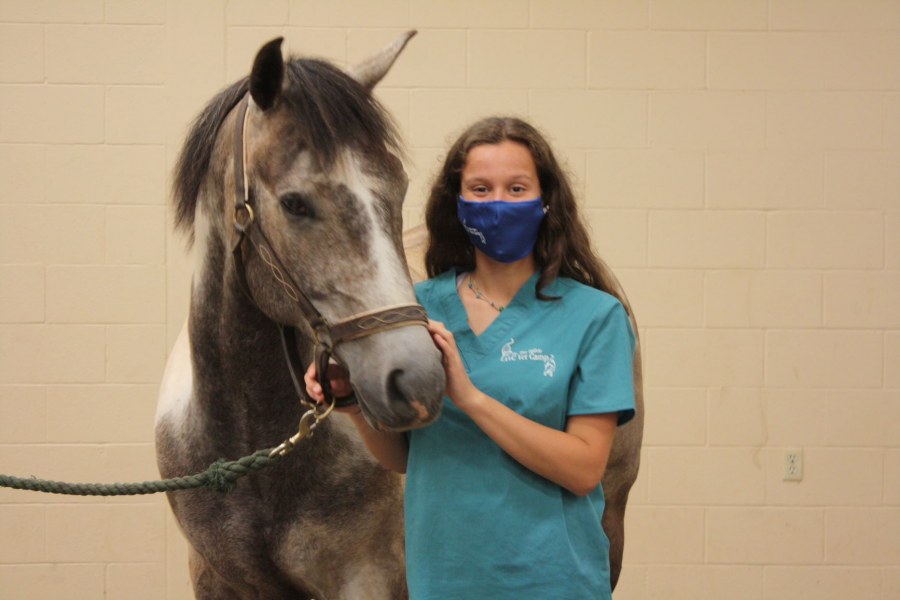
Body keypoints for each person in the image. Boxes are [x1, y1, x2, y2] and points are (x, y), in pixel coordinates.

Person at [305, 116, 636, 599]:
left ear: (545, 202)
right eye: (480, 190)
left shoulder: (595, 316)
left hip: (554, 582)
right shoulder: (418, 309)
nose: (497, 204)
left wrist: (471, 397)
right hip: (443, 582)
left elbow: (584, 469)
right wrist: (353, 403)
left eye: (516, 188)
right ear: (457, 205)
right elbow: (409, 459)